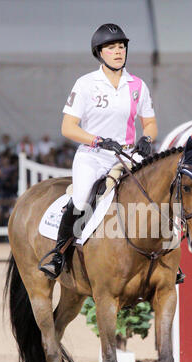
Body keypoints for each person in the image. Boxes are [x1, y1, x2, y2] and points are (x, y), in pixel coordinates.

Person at [39, 23, 158, 279]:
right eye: (112, 47)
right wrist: (98, 141)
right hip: (93, 156)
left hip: (127, 155)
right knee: (81, 198)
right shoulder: (85, 84)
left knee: (155, 193)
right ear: (99, 52)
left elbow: (149, 123)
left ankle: (166, 258)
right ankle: (58, 254)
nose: (119, 51)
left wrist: (147, 138)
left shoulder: (137, 85)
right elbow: (68, 128)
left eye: (122, 46)